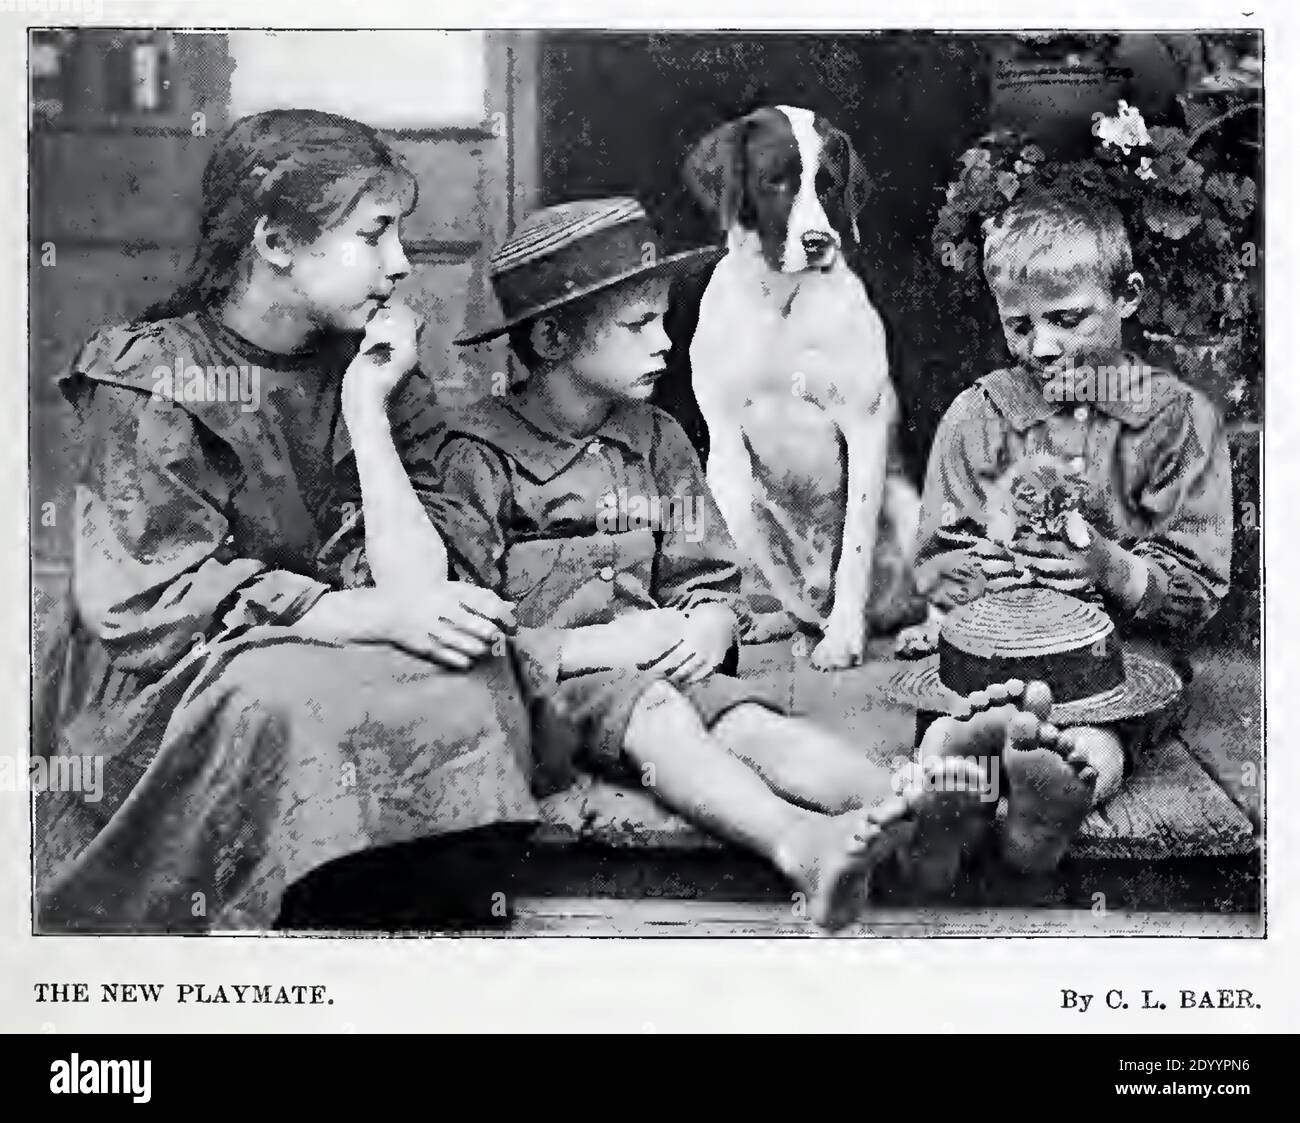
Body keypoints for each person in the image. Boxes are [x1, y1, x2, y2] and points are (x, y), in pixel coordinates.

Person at [432, 197, 1010, 930]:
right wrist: (591, 647)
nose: (667, 344)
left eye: (664, 320)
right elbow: (457, 622)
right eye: (640, 325)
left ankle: (908, 799)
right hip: (546, 698)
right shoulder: (477, 454)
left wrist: (709, 621)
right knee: (662, 714)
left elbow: (704, 570)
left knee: (749, 724)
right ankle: (799, 842)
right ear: (551, 337)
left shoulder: (658, 438)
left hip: (661, 668)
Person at [35, 110, 538, 931]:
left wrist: (367, 412)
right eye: (374, 235)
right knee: (284, 694)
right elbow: (153, 602)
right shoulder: (151, 376)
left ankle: (420, 951)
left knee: (471, 668)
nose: (401, 264)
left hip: (320, 648)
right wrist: (362, 613)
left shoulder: (376, 369)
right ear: (276, 244)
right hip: (174, 673)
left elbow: (422, 594)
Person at [911, 188, 1233, 873]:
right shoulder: (977, 416)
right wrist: (979, 569)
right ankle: (953, 765)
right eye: (1019, 326)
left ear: (1129, 296)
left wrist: (1112, 568)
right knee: (959, 704)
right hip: (994, 653)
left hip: (1122, 657)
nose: (1043, 346)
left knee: (1118, 721)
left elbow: (1198, 584)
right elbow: (940, 552)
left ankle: (1064, 782)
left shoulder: (1179, 422)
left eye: (1068, 318)